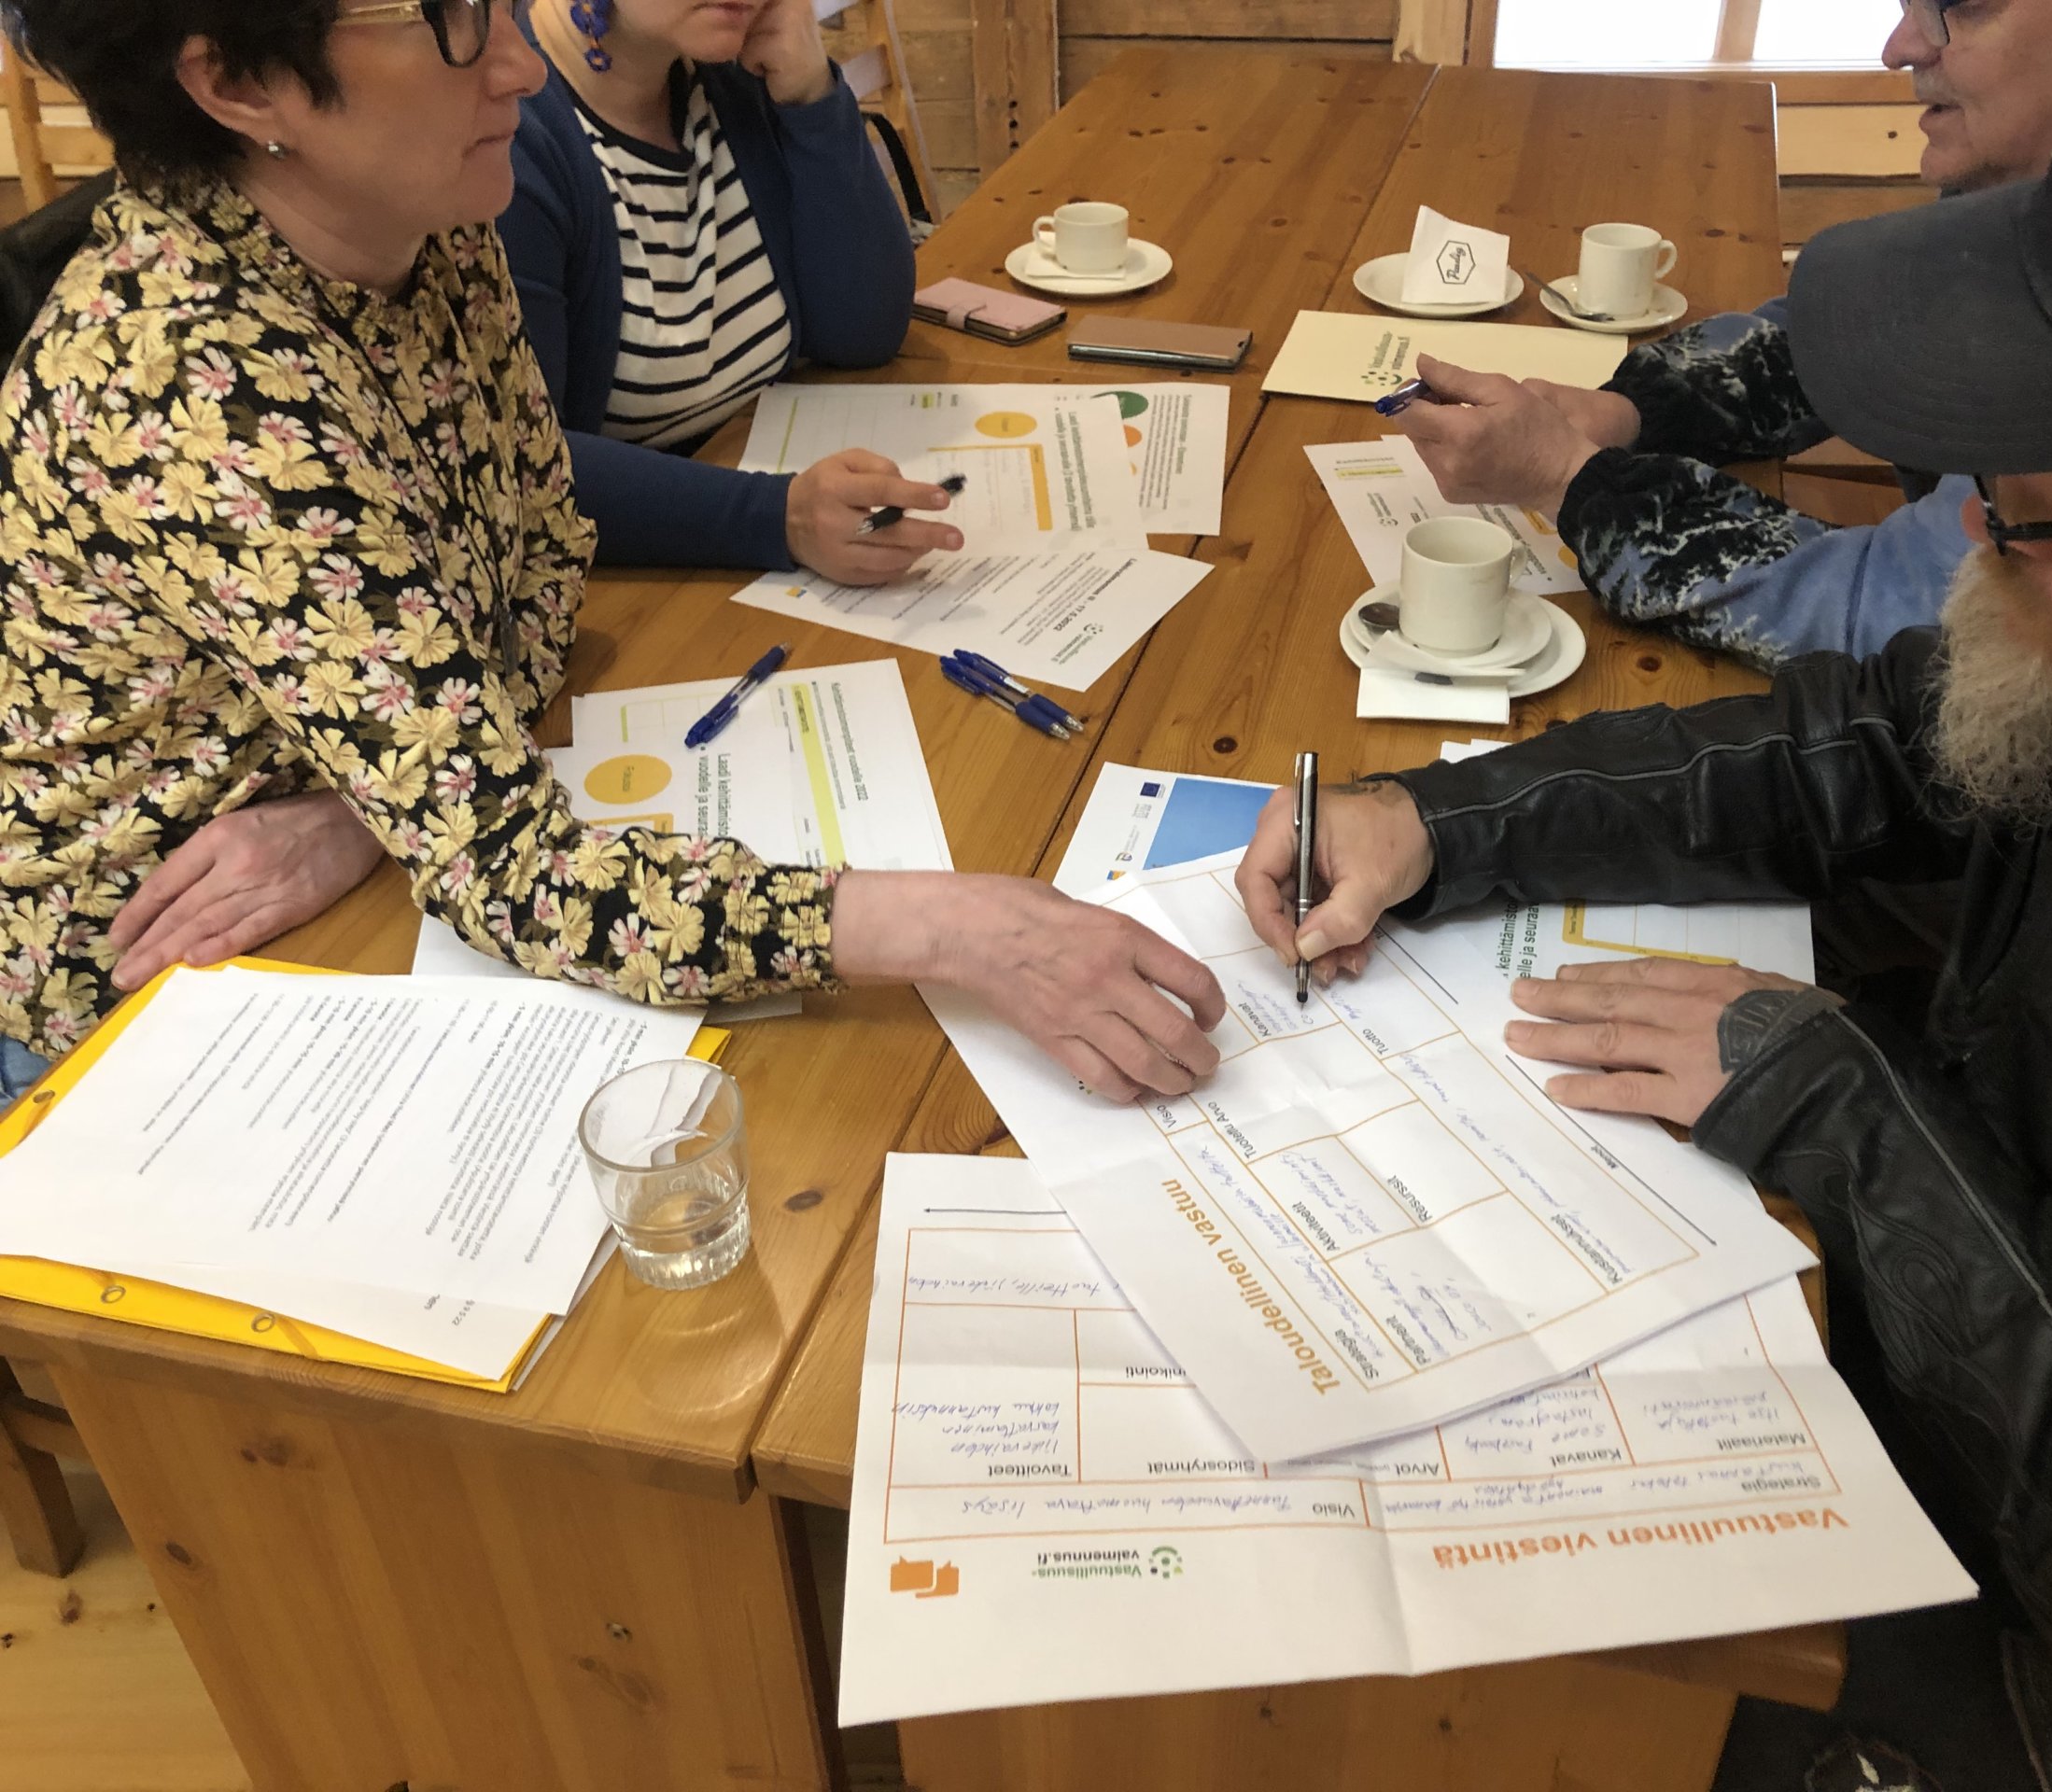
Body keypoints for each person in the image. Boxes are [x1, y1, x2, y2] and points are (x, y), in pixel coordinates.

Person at [1237, 4, 2052, 1786]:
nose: (1982, 529)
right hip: (1980, 1325)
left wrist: (1856, 1118)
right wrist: (1444, 820)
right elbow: (1869, 745)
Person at [0, 0, 1222, 1108]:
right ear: (237, 86)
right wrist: (968, 932)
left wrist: (373, 806)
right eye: (454, 19)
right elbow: (511, 873)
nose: (522, 67)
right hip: (148, 985)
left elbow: (540, 574)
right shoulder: (189, 391)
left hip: (372, 855)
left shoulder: (421, 230)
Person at [1395, 0, 2052, 670]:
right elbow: (1849, 338)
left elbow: (1903, 622)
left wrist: (1573, 482)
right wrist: (1631, 413)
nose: (1900, 46)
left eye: (1962, 6)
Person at [501, 0, 949, 581]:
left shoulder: (726, 68)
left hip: (755, 525)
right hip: (637, 583)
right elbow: (524, 469)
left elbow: (862, 332)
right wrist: (782, 517)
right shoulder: (510, 137)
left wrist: (812, 96)